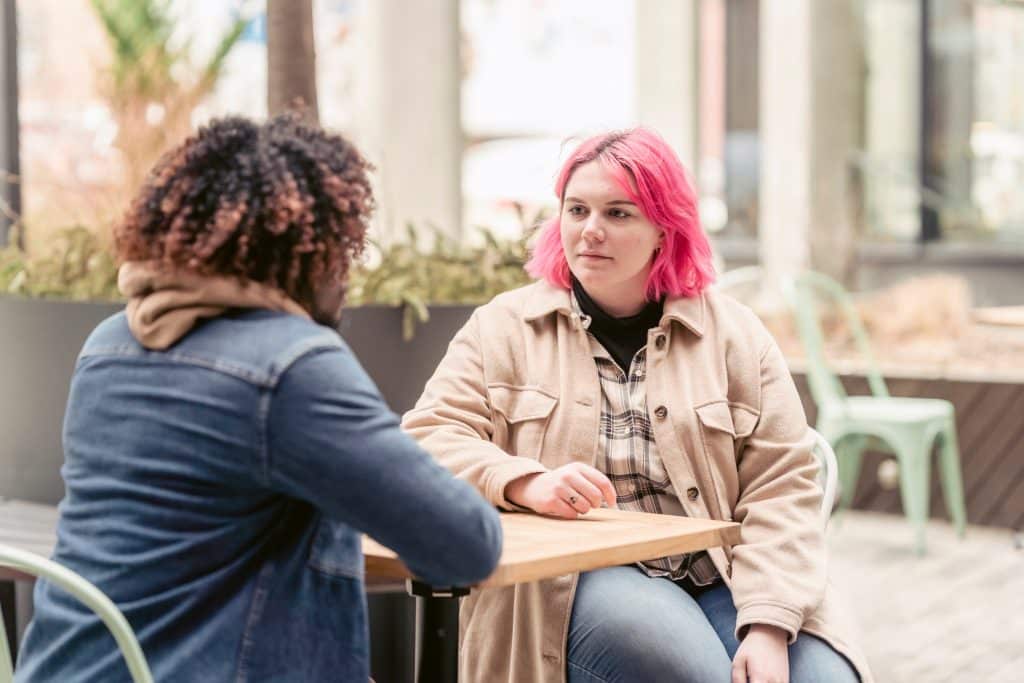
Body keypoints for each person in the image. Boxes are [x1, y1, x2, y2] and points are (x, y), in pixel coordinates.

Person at [14, 115, 502, 683]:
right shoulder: (292, 366)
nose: (347, 271)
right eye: (342, 247)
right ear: (309, 250)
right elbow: (466, 546)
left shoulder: (109, 344)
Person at [402, 128, 871, 683]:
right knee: (697, 674)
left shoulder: (734, 335)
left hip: (729, 574)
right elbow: (427, 437)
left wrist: (768, 624)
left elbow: (784, 485)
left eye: (619, 214)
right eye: (576, 210)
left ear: (663, 231)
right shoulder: (502, 328)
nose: (590, 231)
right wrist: (522, 481)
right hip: (583, 576)